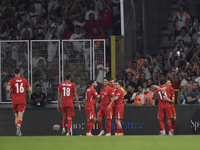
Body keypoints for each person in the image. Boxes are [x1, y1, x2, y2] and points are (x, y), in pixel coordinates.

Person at [6, 68, 32, 136]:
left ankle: (18, 131)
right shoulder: (24, 80)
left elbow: (7, 88)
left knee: (16, 116)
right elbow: (30, 90)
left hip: (14, 100)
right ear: (20, 73)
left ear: (14, 74)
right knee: (20, 115)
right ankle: (19, 126)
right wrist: (27, 86)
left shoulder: (12, 80)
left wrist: (10, 92)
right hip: (22, 100)